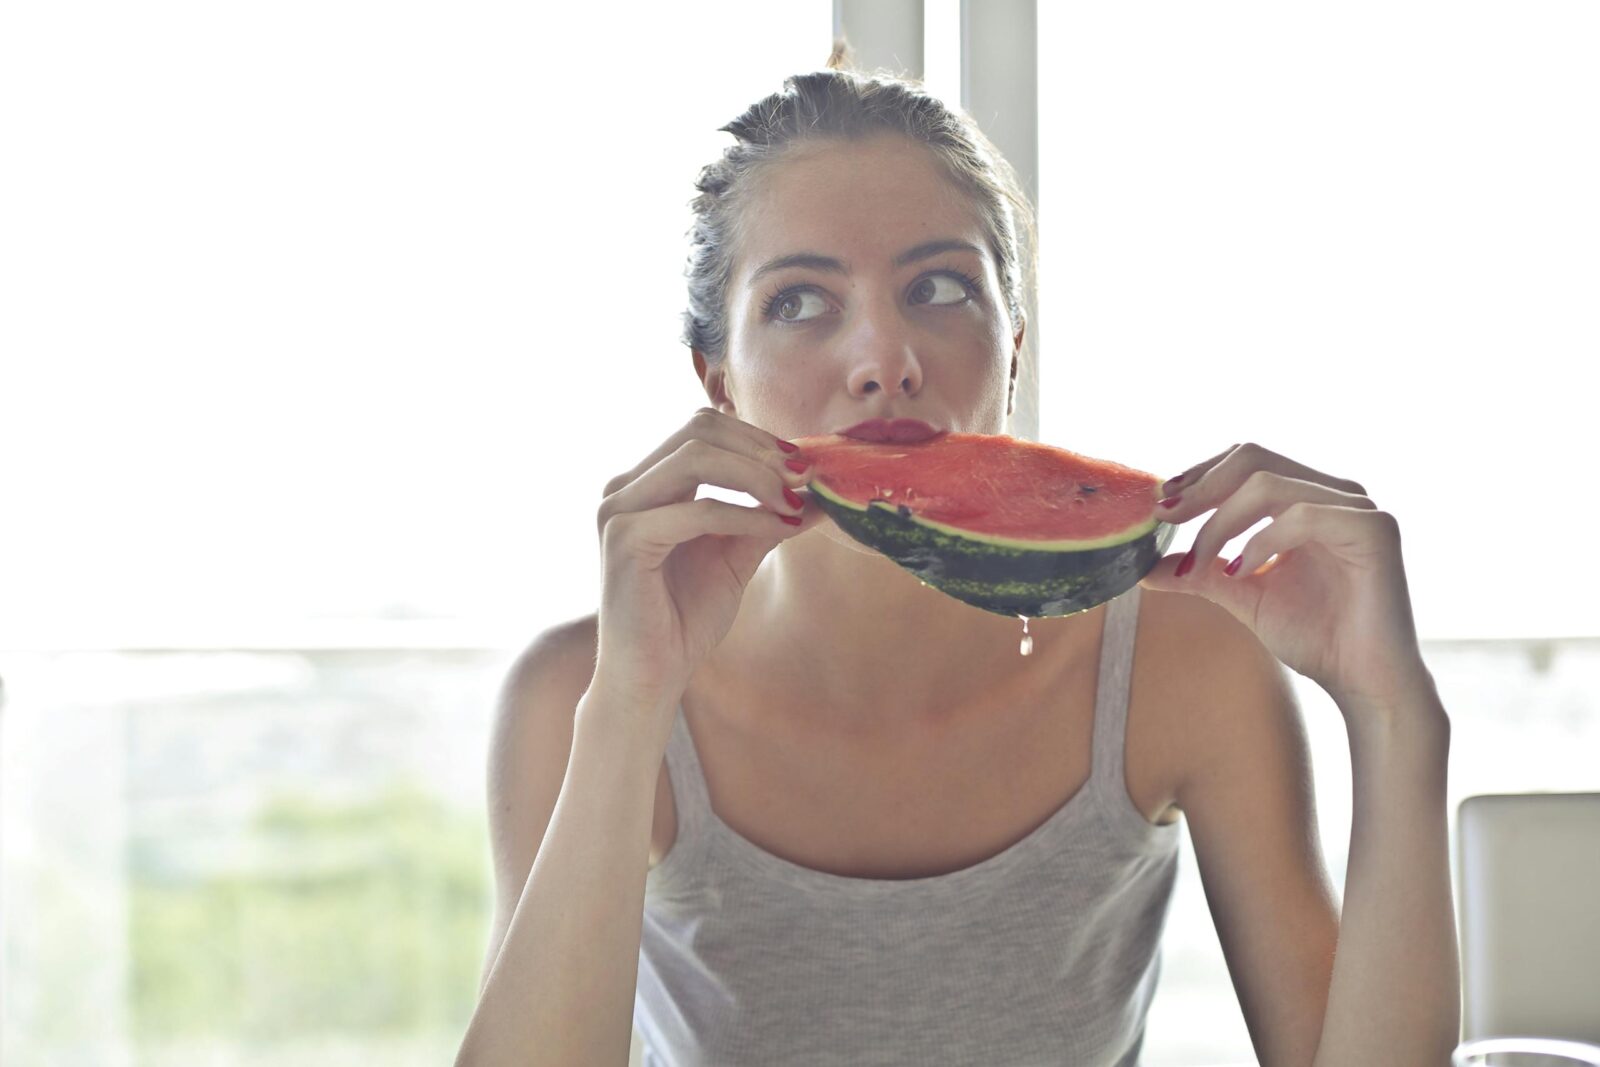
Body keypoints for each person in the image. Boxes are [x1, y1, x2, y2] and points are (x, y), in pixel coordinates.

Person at [456, 54, 1460, 1067]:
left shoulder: (1180, 666)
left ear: (1013, 348)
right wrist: (630, 705)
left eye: (937, 287)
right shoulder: (575, 695)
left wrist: (1394, 715)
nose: (883, 358)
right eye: (800, 302)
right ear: (718, 380)